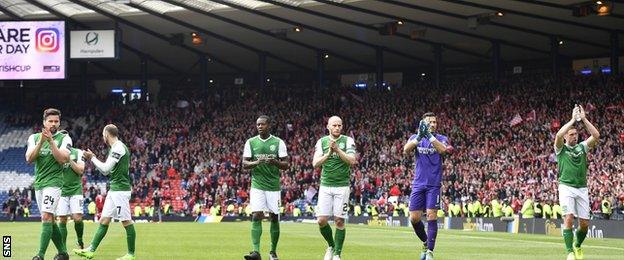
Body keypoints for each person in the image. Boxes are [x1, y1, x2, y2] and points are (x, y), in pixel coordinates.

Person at [75, 124, 137, 260]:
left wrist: (92, 157)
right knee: (104, 220)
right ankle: (91, 250)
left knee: (126, 221)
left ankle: (131, 254)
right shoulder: (115, 148)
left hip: (120, 190)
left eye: (103, 135)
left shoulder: (119, 148)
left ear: (106, 135)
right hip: (114, 189)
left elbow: (105, 169)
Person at [403, 112, 451, 260]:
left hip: (434, 184)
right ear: (423, 123)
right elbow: (405, 150)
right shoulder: (415, 138)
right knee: (414, 218)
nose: (433, 124)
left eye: (435, 122)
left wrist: (430, 137)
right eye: (429, 122)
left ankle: (430, 251)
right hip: (418, 184)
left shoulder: (442, 138)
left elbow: (443, 150)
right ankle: (425, 242)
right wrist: (419, 137)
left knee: (431, 215)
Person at [554, 105, 600, 260]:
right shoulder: (561, 149)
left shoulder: (582, 147)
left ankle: (577, 245)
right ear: (566, 137)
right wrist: (573, 120)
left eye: (576, 134)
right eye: (571, 134)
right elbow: (558, 135)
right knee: (568, 217)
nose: (575, 136)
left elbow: (596, 135)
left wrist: (584, 119)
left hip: (582, 188)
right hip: (566, 187)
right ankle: (569, 252)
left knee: (585, 225)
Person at [26, 108, 72, 260]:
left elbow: (63, 159)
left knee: (46, 217)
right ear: (44, 123)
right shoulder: (33, 138)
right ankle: (63, 253)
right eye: (50, 121)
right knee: (49, 220)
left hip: (54, 183)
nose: (53, 124)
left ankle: (40, 255)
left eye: (56, 121)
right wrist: (41, 142)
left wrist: (51, 141)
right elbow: (29, 159)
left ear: (59, 123)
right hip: (39, 184)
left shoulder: (65, 139)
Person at [242, 115, 289, 260]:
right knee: (256, 215)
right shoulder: (251, 142)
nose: (259, 126)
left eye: (262, 124)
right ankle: (256, 252)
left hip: (273, 186)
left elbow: (286, 165)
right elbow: (244, 164)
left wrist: (274, 161)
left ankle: (273, 252)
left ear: (269, 125)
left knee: (274, 217)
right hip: (257, 185)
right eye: (258, 124)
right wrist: (257, 162)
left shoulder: (278, 142)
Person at [313, 116, 357, 260]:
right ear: (328, 127)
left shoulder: (348, 141)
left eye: (339, 125)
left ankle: (337, 254)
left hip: (342, 186)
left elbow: (352, 160)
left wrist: (337, 150)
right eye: (334, 125)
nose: (337, 128)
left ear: (342, 126)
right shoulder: (322, 142)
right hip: (325, 185)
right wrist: (329, 154)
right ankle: (331, 245)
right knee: (321, 220)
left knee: (339, 221)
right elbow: (315, 163)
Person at [56, 147, 86, 250]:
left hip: (75, 190)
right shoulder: (56, 152)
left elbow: (80, 170)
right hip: (61, 191)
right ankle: (63, 249)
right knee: (62, 219)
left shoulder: (78, 152)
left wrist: (68, 159)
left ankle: (80, 239)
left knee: (77, 218)